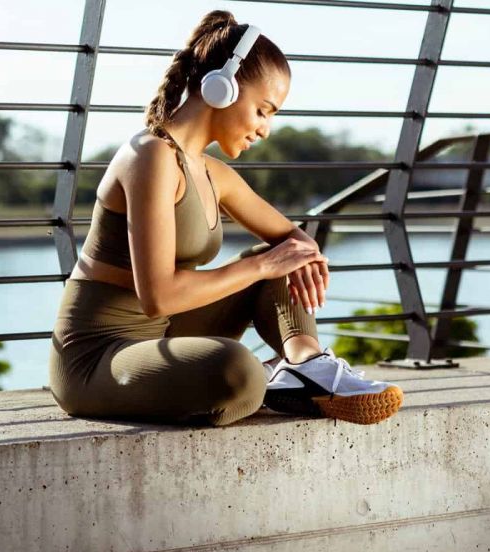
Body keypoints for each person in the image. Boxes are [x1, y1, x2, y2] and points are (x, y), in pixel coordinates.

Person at [47, 10, 403, 427]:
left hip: (161, 337)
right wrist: (262, 265)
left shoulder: (212, 172)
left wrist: (299, 257)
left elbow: (294, 240)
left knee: (280, 257)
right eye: (263, 111)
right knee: (238, 370)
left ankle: (307, 366)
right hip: (98, 359)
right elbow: (158, 297)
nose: (266, 129)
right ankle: (272, 379)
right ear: (221, 88)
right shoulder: (150, 156)